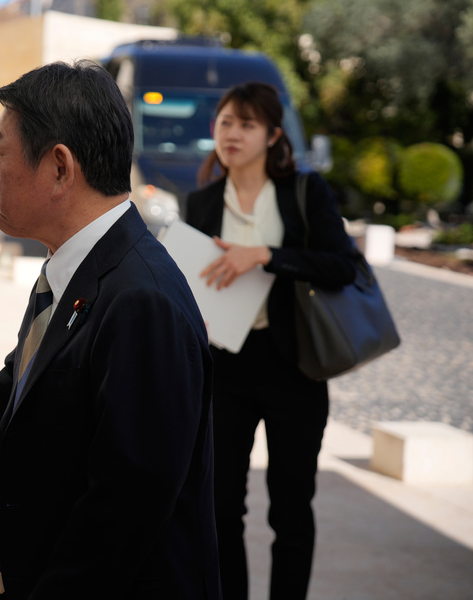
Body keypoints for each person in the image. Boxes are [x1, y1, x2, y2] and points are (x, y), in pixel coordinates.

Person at [0, 61, 221, 599]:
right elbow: (21, 394)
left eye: (0, 152)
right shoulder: (77, 267)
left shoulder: (142, 301)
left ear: (58, 168)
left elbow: (123, 511)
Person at [184, 82, 356, 600]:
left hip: (295, 368)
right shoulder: (201, 202)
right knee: (219, 509)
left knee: (291, 507)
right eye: (225, 122)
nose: (233, 134)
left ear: (273, 135)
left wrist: (263, 255)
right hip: (226, 371)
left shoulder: (306, 193)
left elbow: (342, 265)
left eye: (247, 124)